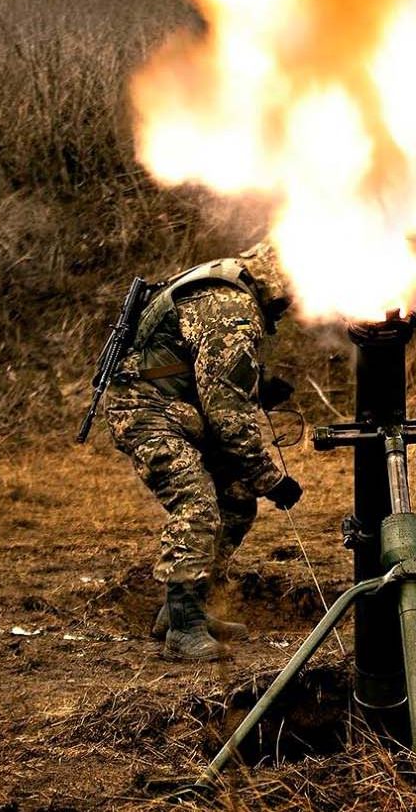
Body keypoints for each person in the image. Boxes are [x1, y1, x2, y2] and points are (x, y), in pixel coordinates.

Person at [102, 243, 303, 661]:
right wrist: (270, 478)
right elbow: (228, 418)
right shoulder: (231, 307)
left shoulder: (234, 284)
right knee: (197, 504)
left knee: (236, 499)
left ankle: (182, 608)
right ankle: (184, 630)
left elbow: (199, 369)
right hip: (145, 411)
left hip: (176, 405)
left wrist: (259, 386)